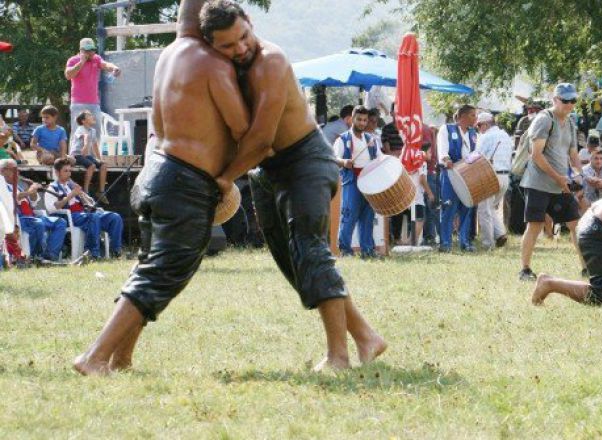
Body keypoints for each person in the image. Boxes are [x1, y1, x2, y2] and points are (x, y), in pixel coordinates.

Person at [72, 0, 252, 376]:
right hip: (183, 182)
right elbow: (240, 125)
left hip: (154, 174)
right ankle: (94, 356)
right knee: (163, 272)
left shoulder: (170, 55)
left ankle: (121, 356)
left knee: (149, 268)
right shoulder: (210, 61)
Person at [204, 0, 386, 371]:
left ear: (250, 23)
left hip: (305, 161)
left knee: (313, 253)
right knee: (295, 264)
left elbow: (261, 140)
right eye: (228, 45)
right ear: (212, 46)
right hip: (266, 173)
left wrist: (223, 179)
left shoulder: (271, 61)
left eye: (243, 36)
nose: (240, 48)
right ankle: (367, 336)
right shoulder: (222, 67)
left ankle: (339, 356)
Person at [519, 83, 584, 280]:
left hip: (560, 184)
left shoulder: (571, 122)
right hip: (537, 183)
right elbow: (536, 155)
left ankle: (586, 268)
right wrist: (560, 178)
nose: (570, 104)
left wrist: (579, 173)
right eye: (565, 100)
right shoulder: (544, 119)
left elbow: (573, 152)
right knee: (535, 226)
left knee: (576, 225)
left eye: (573, 100)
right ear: (555, 100)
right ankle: (525, 270)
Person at [333, 105, 384, 258]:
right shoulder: (343, 139)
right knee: (349, 215)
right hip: (352, 180)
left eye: (365, 120)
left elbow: (380, 159)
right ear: (352, 119)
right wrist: (344, 162)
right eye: (359, 119)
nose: (362, 123)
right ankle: (345, 250)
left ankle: (367, 250)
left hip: (368, 180)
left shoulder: (371, 139)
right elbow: (333, 159)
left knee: (368, 216)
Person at [49, 158, 123, 258]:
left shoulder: (71, 185)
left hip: (84, 213)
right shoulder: (52, 187)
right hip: (71, 216)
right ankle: (92, 253)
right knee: (93, 217)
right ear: (57, 173)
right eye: (65, 171)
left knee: (115, 217)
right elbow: (54, 207)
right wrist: (71, 195)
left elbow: (90, 203)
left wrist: (82, 195)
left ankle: (115, 251)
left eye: (70, 171)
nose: (69, 174)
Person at [0, 159, 67, 261]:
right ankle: (36, 256)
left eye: (17, 170)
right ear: (2, 171)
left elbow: (34, 203)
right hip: (19, 219)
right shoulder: (2, 187)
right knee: (38, 224)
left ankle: (50, 255)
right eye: (13, 170)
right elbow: (12, 198)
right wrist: (29, 191)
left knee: (60, 222)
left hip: (32, 217)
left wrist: (34, 193)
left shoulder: (18, 186)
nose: (17, 173)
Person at [436, 105, 478, 252]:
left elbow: (475, 152)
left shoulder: (473, 133)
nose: (475, 118)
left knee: (467, 207)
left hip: (467, 173)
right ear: (462, 117)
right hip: (451, 173)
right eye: (473, 115)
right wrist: (446, 159)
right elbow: (442, 150)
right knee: (449, 207)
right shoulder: (447, 129)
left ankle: (464, 242)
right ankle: (445, 243)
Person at [65, 37, 121, 142]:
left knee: (96, 131)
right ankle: (75, 157)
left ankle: (94, 157)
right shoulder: (73, 60)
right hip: (78, 103)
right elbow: (68, 75)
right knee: (77, 132)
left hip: (94, 103)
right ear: (81, 50)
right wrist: (81, 63)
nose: (90, 53)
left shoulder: (96, 58)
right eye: (87, 50)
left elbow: (105, 64)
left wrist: (114, 68)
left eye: (92, 50)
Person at [475, 112, 512, 250]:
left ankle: (487, 244)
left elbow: (476, 156)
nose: (478, 128)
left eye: (478, 125)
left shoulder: (485, 136)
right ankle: (500, 233)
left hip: (491, 175)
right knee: (490, 208)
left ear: (485, 124)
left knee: (484, 210)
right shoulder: (506, 135)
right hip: (505, 176)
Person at [70, 110, 109, 202]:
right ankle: (86, 190)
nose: (92, 116)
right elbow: (84, 145)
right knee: (91, 165)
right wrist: (86, 142)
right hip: (77, 155)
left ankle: (101, 191)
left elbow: (95, 146)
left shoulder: (93, 131)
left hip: (85, 155)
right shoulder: (80, 129)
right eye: (89, 115)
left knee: (103, 165)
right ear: (83, 121)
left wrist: (99, 159)